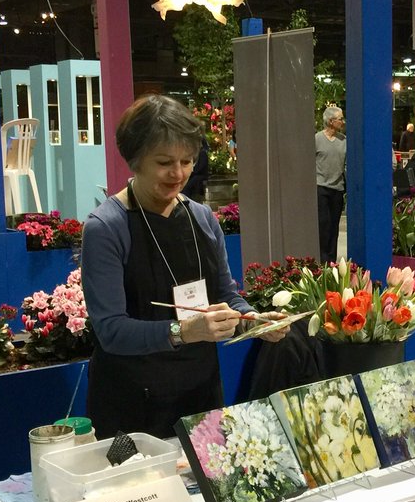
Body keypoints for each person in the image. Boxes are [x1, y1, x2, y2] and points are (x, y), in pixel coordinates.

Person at [81, 95, 286, 439]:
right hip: (131, 404)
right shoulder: (106, 227)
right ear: (135, 160)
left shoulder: (202, 218)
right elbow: (111, 331)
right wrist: (184, 331)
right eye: (164, 162)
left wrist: (254, 322)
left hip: (199, 396)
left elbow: (225, 295)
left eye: (187, 161)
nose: (178, 174)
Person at [315, 105, 346, 264]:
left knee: (334, 227)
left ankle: (331, 262)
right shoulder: (317, 139)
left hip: (337, 189)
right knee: (324, 226)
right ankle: (322, 261)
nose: (343, 121)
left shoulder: (344, 141)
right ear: (331, 121)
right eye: (340, 119)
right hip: (321, 188)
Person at [181, 136, 209, 201]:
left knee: (189, 185)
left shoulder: (203, 153)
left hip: (201, 175)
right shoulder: (196, 153)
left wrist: (192, 172)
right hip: (195, 174)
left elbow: (201, 167)